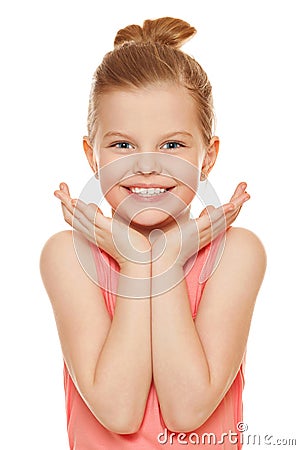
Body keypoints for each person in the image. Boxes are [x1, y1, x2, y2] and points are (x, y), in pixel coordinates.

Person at [40, 17, 267, 449]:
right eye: (122, 145)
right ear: (93, 155)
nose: (146, 166)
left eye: (172, 146)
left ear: (208, 157)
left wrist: (163, 257)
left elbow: (187, 409)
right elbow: (119, 412)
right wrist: (135, 260)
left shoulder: (237, 253)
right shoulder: (67, 256)